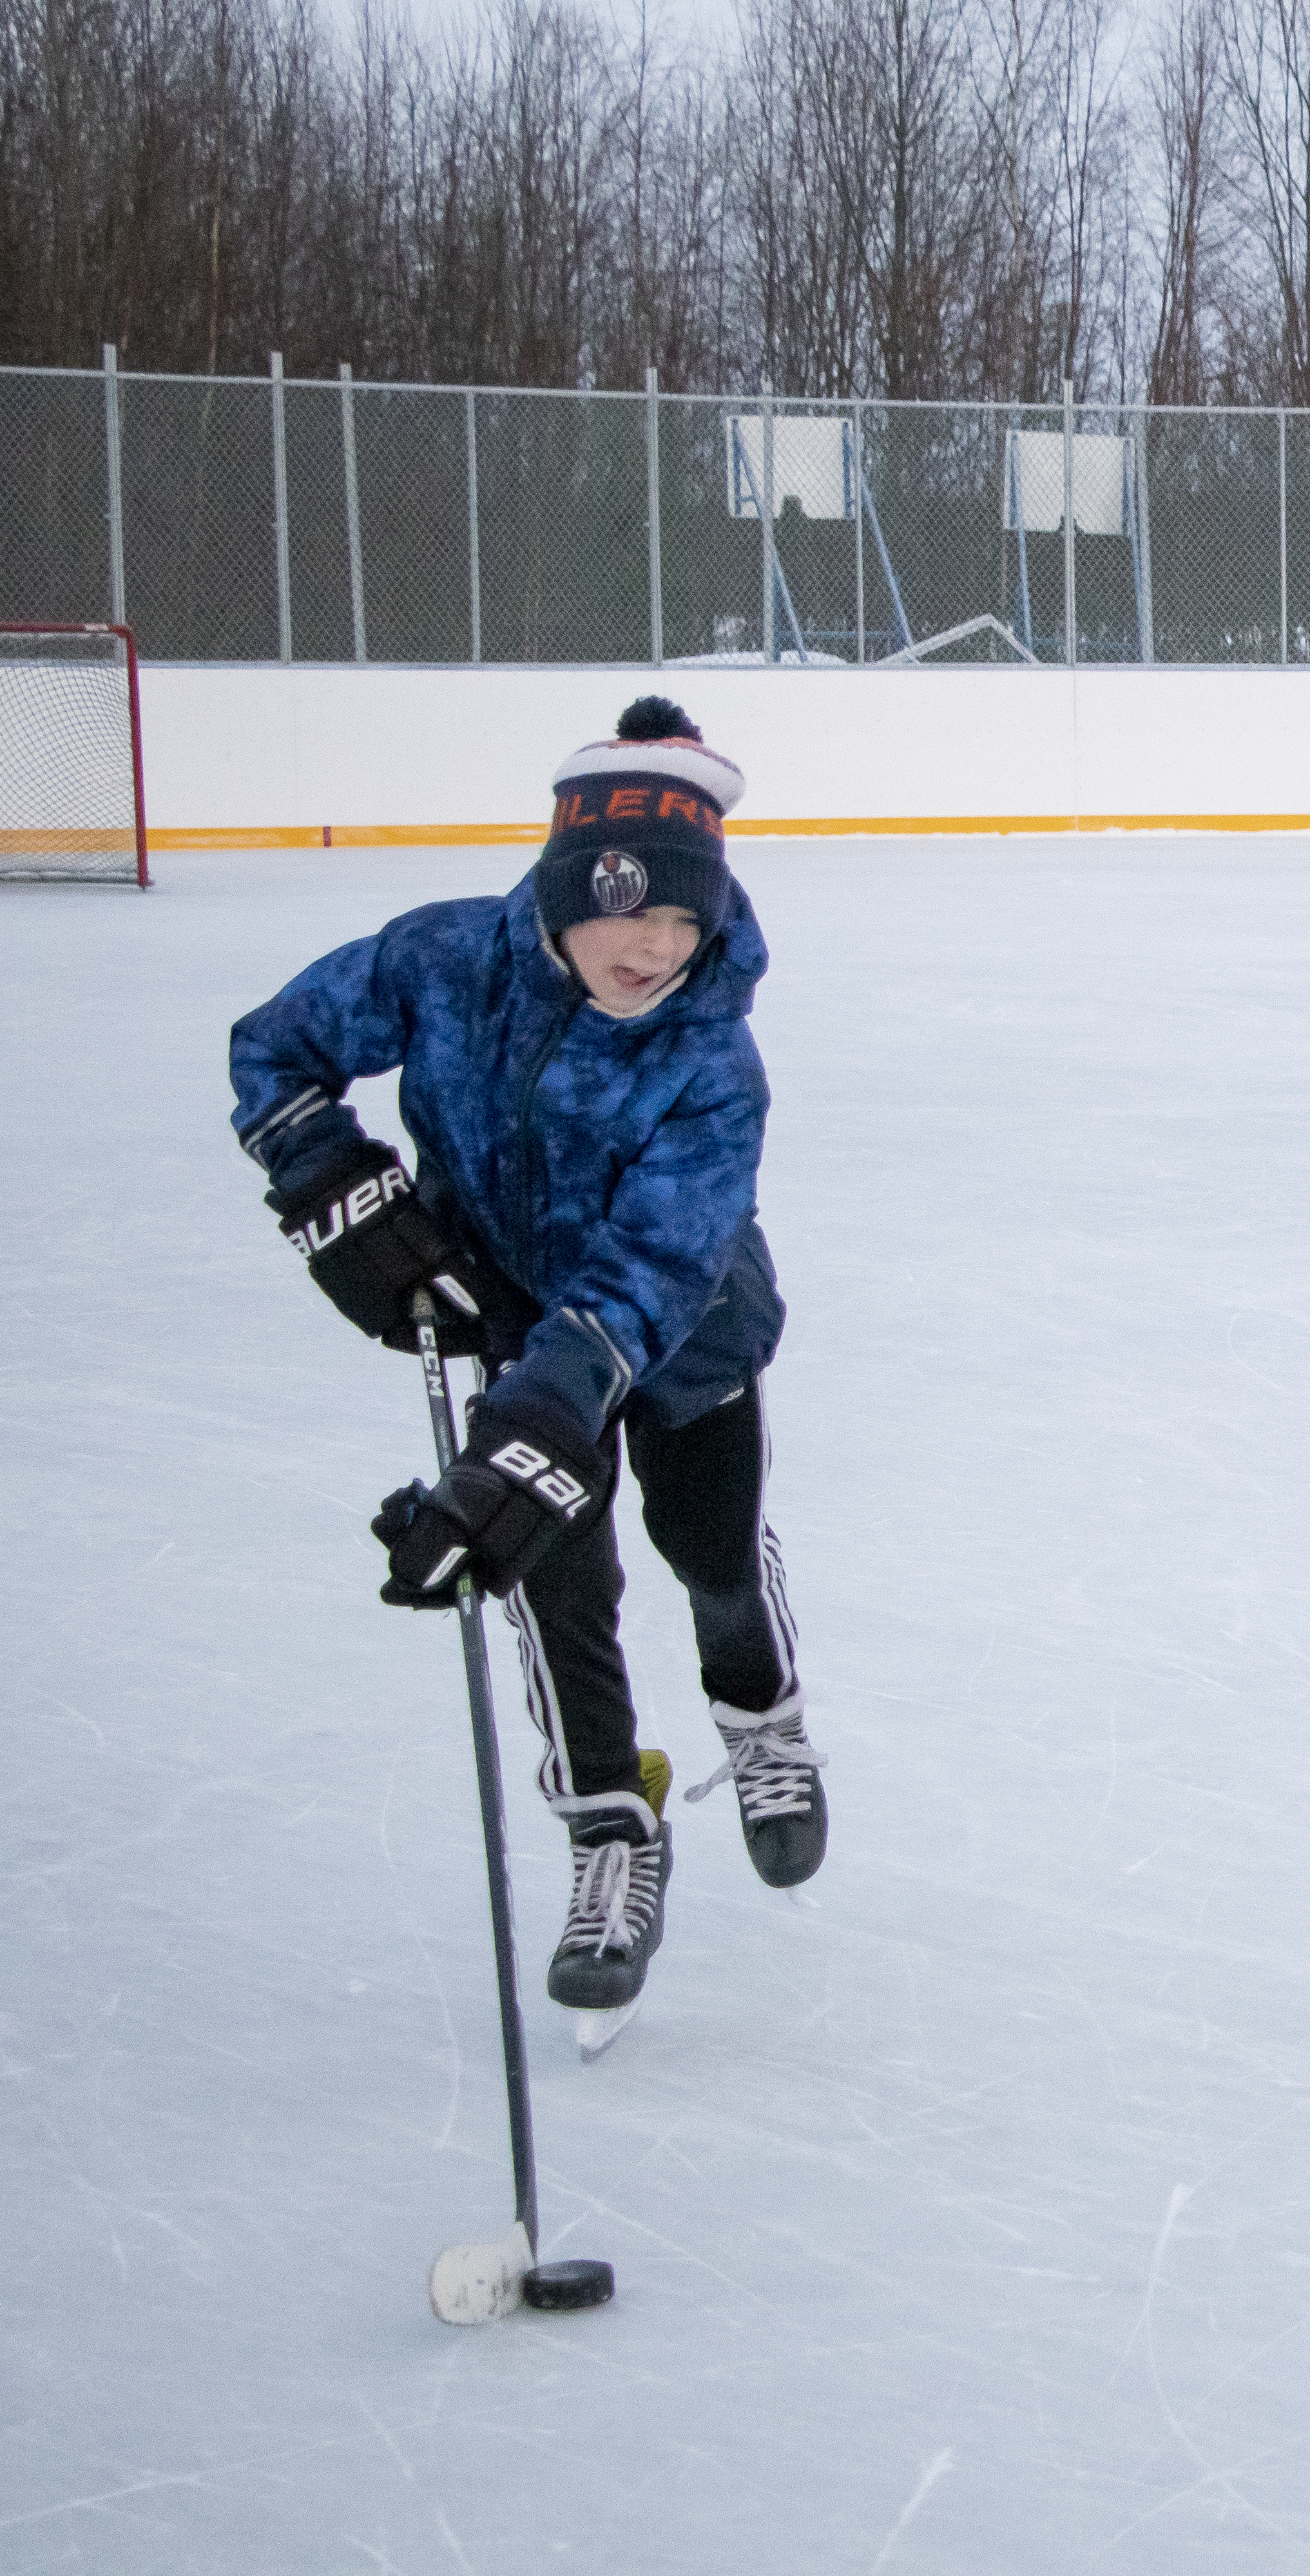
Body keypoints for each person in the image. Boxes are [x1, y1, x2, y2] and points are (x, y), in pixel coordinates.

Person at [229, 697, 827, 2019]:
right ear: (566, 886)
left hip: (679, 1335)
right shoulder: (444, 962)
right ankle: (613, 1827)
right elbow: (273, 1049)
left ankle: (762, 1710)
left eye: (687, 916)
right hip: (502, 1302)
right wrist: (337, 1185)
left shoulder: (713, 1062)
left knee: (710, 1552)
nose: (658, 945)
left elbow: (650, 1274)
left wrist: (539, 1425)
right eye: (629, 906)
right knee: (558, 1585)